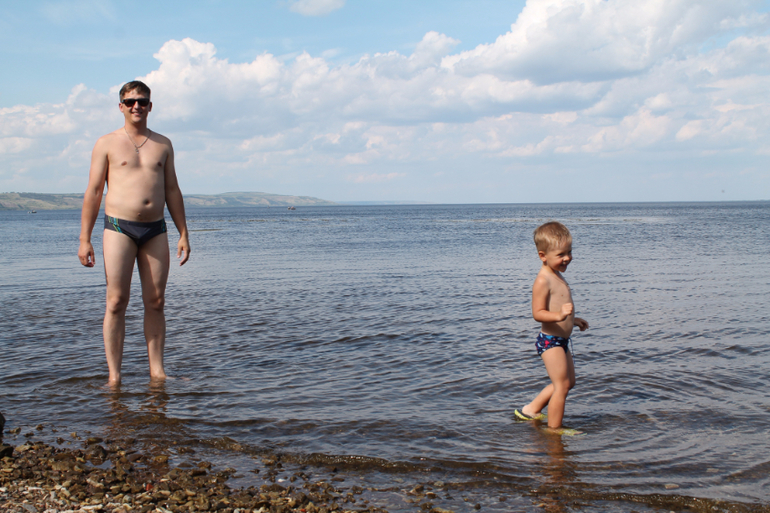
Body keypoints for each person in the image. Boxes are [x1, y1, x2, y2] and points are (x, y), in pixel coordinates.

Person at [78, 80, 190, 386]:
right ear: (121, 107)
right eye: (130, 102)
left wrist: (183, 232)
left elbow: (172, 190)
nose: (136, 106)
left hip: (156, 229)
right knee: (116, 301)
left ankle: (157, 372)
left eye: (141, 101)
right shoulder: (106, 143)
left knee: (156, 301)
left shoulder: (163, 144)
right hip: (119, 228)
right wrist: (84, 239)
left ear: (150, 106)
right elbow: (94, 191)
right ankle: (114, 377)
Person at [515, 222, 588, 434]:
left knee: (568, 383)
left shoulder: (556, 274)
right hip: (550, 341)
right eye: (561, 254)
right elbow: (538, 313)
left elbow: (558, 307)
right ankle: (554, 429)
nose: (567, 258)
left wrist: (573, 320)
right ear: (543, 256)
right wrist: (559, 315)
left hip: (562, 341)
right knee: (561, 386)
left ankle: (531, 409)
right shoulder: (542, 280)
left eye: (569, 252)